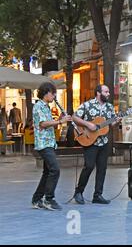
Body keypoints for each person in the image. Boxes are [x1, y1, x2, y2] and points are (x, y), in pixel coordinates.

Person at [72, 84, 121, 205]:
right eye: (106, 92)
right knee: (88, 166)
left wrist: (117, 121)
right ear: (98, 93)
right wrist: (88, 124)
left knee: (102, 168)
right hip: (89, 140)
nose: (109, 94)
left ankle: (97, 195)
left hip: (103, 142)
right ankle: (79, 192)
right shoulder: (88, 105)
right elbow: (74, 117)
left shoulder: (109, 107)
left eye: (108, 92)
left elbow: (110, 124)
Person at [31, 82, 72, 210]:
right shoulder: (39, 106)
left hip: (49, 142)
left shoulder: (46, 106)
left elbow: (50, 123)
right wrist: (60, 121)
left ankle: (37, 199)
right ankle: (49, 199)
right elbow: (43, 124)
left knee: (47, 172)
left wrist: (60, 118)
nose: (54, 96)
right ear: (46, 93)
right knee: (55, 169)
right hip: (43, 143)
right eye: (53, 93)